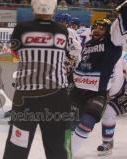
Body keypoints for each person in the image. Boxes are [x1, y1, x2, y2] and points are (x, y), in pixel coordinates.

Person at [3, 0, 79, 158]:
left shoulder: (22, 28)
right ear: (54, 9)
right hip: (57, 96)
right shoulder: (62, 30)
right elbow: (69, 53)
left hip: (26, 98)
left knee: (17, 144)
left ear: (33, 7)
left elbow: (15, 53)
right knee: (58, 145)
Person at [71, 0, 127, 155]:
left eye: (102, 28)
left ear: (109, 31)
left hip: (113, 90)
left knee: (106, 114)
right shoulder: (87, 45)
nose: (97, 29)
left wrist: (124, 11)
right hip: (81, 90)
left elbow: (120, 28)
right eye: (95, 26)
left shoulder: (112, 42)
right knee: (68, 123)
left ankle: (107, 143)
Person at [96, 52, 127, 156]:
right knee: (108, 112)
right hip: (113, 96)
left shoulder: (122, 54)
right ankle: (107, 142)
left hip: (124, 92)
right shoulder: (94, 53)